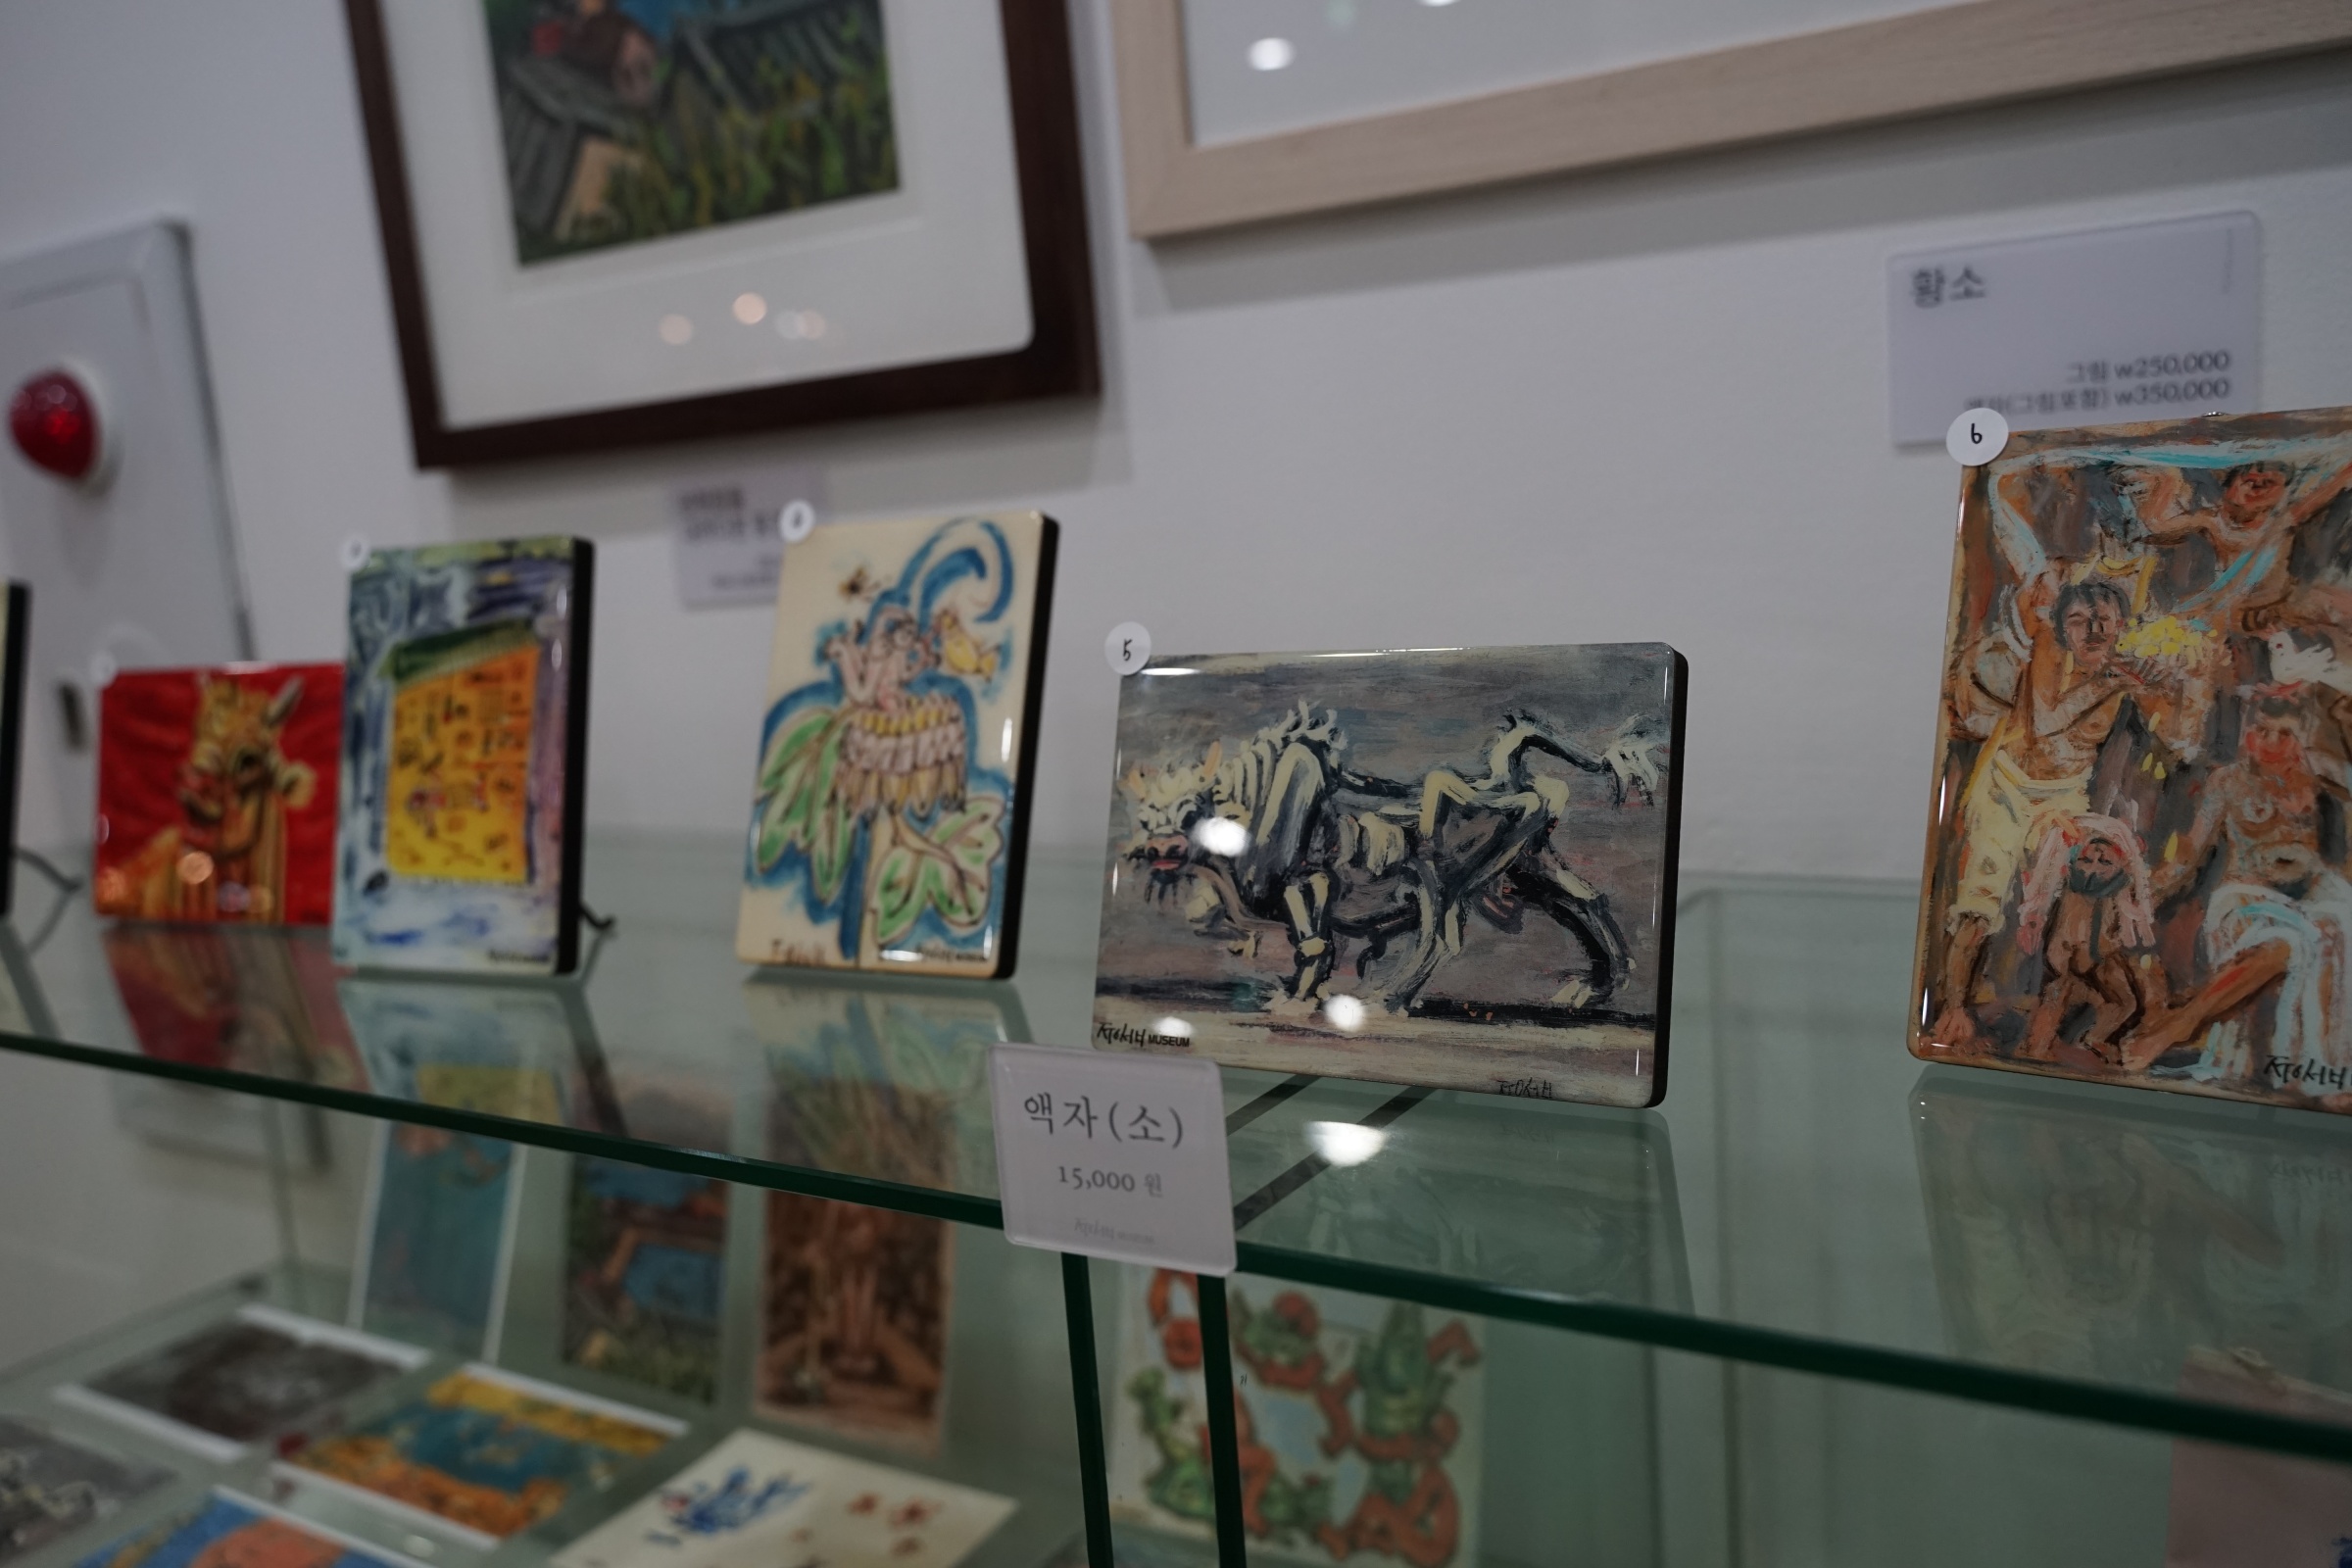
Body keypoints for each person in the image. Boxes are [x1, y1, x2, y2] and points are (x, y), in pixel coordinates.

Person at [1931, 575, 2162, 1048]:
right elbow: (2045, 721)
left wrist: (2165, 681)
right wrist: (2109, 683)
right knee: (1981, 898)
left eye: (2104, 620)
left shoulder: (2127, 669)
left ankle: (2062, 1014)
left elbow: (2179, 732)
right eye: (2079, 620)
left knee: (2081, 881)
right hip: (2007, 789)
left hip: (2064, 797)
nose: (2093, 630)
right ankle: (1954, 1009)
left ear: (2121, 625)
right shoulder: (2053, 654)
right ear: (2062, 627)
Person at [2128, 694, 2352, 1099]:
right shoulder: (2227, 782)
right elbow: (2187, 857)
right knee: (2286, 941)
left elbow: (2336, 864)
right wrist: (2141, 898)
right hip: (2243, 899)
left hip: (2307, 902)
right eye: (2262, 730)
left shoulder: (2319, 787)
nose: (2271, 742)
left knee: (2328, 928)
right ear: (2249, 731)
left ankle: (2319, 1068)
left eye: (2284, 734)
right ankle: (2183, 1022)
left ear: (2301, 737)